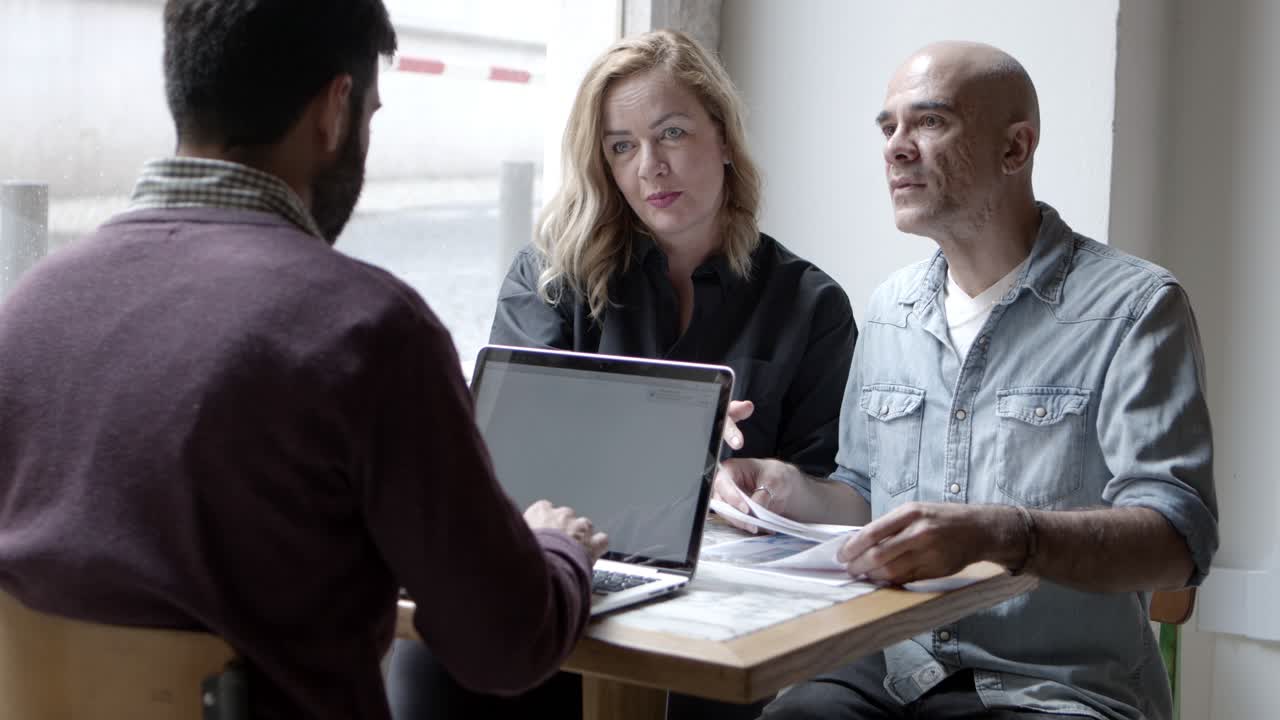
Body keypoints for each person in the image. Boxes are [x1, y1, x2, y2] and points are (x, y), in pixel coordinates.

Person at [0, 2, 605, 718]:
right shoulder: (370, 330)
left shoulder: (26, 309)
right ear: (335, 111)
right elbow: (504, 643)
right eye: (371, 117)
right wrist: (557, 551)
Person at [717, 42, 1219, 720]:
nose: (896, 148)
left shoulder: (1134, 308)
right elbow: (862, 494)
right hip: (888, 666)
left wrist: (1000, 533)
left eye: (928, 122)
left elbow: (1177, 543)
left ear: (1016, 149)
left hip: (1054, 688)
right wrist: (783, 487)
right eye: (888, 127)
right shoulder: (890, 309)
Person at [386, 29, 857, 720]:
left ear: (723, 137)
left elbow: (836, 497)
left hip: (717, 605)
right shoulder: (550, 276)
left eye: (671, 134)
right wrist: (667, 440)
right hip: (560, 563)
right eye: (622, 146)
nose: (651, 168)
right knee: (436, 650)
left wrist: (778, 487)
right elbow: (507, 461)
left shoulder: (811, 305)